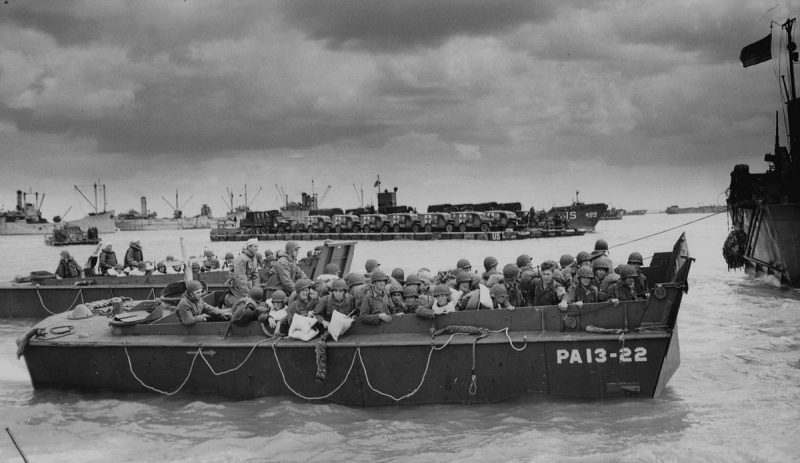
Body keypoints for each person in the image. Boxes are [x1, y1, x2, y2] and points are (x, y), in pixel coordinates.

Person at [228, 238, 259, 305]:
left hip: (249, 284)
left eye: (257, 246)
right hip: (239, 287)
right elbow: (240, 279)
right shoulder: (241, 259)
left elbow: (255, 275)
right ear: (249, 247)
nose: (257, 248)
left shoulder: (254, 258)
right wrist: (247, 295)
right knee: (243, 303)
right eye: (255, 246)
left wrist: (256, 289)